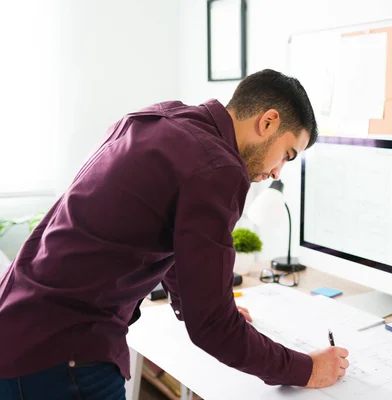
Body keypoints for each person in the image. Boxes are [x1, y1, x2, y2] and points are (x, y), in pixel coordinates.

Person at [0, 69, 349, 399]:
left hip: (20, 326)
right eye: (286, 154)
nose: (276, 172)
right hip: (64, 354)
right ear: (268, 121)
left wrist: (204, 303)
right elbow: (212, 328)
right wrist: (307, 369)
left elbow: (160, 233)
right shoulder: (219, 167)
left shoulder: (157, 119)